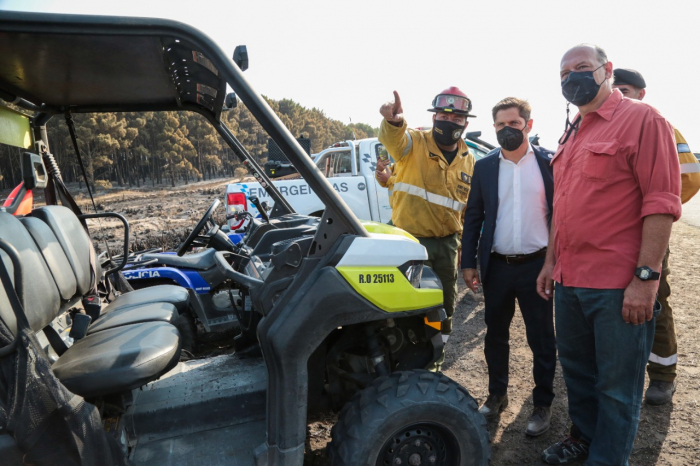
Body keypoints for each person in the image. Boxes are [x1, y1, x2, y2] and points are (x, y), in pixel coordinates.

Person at [537, 44, 681, 465]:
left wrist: (645, 278)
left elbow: (661, 203)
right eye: (564, 73)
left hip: (618, 285)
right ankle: (582, 438)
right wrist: (550, 263)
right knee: (579, 376)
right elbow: (561, 206)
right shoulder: (573, 130)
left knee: (617, 388)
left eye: (582, 68)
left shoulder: (643, 119)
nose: (572, 78)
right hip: (570, 280)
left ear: (607, 71)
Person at [461, 97, 557, 436]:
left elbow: (561, 216)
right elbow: (473, 216)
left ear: (528, 125)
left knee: (542, 338)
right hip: (497, 267)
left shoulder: (549, 164)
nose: (506, 130)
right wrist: (468, 262)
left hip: (537, 268)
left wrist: (555, 262)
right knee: (495, 336)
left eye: (513, 124)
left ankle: (543, 404)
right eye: (500, 125)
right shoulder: (485, 167)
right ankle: (496, 396)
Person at [613, 67, 700, 405]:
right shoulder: (604, 127)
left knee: (655, 301)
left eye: (626, 89)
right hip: (611, 238)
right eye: (615, 89)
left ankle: (663, 375)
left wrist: (658, 209)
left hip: (648, 236)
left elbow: (690, 177)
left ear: (641, 94)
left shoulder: (661, 127)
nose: (621, 95)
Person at [378, 88, 476, 363]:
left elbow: (466, 211)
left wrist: (462, 252)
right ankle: (401, 358)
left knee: (443, 307)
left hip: (446, 245)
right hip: (410, 243)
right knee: (408, 304)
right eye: (443, 115)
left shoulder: (469, 159)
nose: (449, 121)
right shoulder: (414, 143)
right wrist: (394, 121)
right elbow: (394, 139)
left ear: (465, 124)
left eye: (456, 118)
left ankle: (434, 356)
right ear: (434, 118)